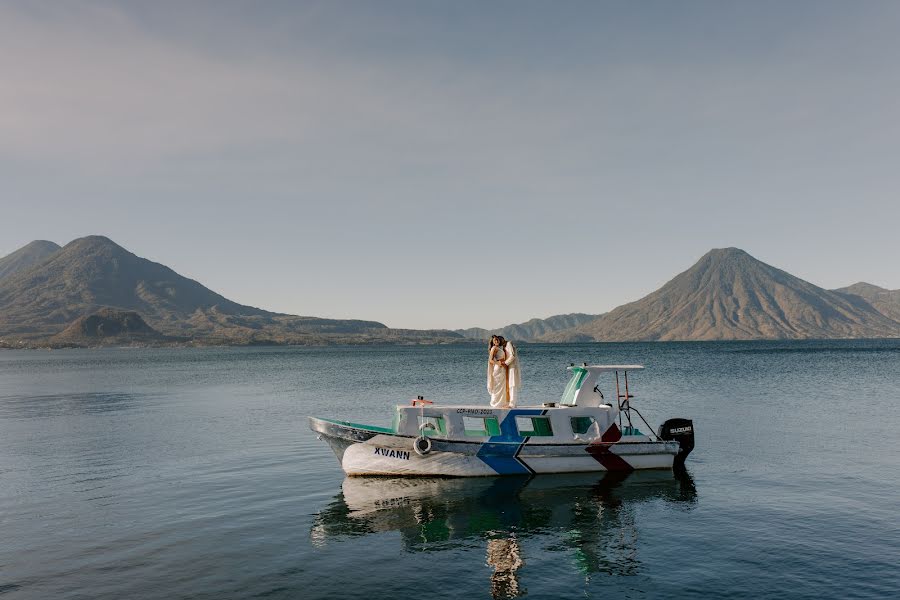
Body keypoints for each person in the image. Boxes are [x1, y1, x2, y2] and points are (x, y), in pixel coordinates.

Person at [498, 336, 521, 408]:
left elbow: (512, 356)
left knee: (512, 384)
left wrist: (505, 363)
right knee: (510, 384)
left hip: (513, 367)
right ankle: (510, 402)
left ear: (503, 339)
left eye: (500, 340)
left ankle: (512, 404)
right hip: (509, 367)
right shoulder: (505, 346)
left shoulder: (509, 344)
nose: (500, 342)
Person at [487, 335, 509, 407]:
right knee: (497, 386)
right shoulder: (494, 348)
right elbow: (490, 360)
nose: (496, 341)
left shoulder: (499, 348)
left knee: (502, 386)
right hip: (498, 368)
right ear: (493, 342)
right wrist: (498, 363)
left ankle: (502, 403)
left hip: (502, 368)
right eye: (495, 340)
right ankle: (495, 403)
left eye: (497, 340)